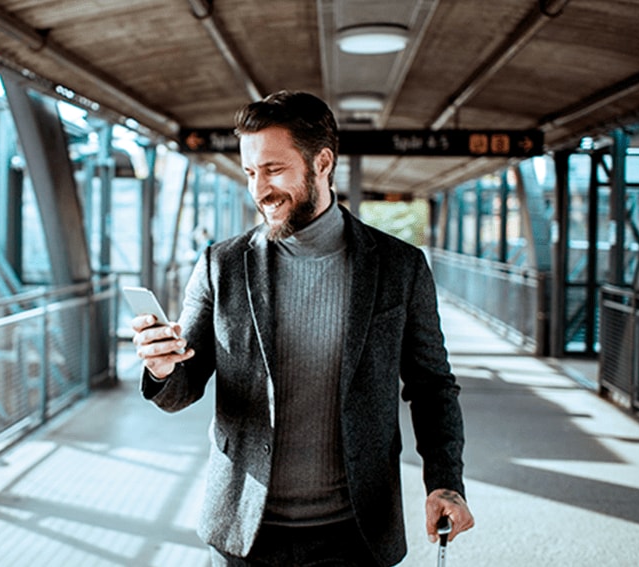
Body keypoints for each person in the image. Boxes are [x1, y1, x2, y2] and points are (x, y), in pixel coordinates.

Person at [132, 90, 473, 566]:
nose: (259, 189)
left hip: (355, 535)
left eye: (274, 169)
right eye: (251, 172)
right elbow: (183, 388)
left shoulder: (400, 267)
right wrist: (162, 367)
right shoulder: (221, 265)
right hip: (244, 534)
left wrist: (445, 481)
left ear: (323, 163)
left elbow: (432, 385)